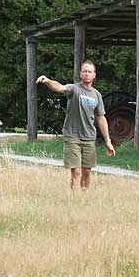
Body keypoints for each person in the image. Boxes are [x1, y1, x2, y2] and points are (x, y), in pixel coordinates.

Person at [36, 61, 115, 189]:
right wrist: (47, 81)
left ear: (94, 75)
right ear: (80, 74)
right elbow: (60, 87)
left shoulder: (96, 95)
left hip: (89, 137)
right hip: (72, 136)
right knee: (76, 171)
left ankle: (84, 197)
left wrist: (108, 141)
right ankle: (75, 198)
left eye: (89, 72)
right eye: (84, 71)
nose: (87, 74)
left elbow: (101, 118)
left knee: (87, 171)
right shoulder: (74, 89)